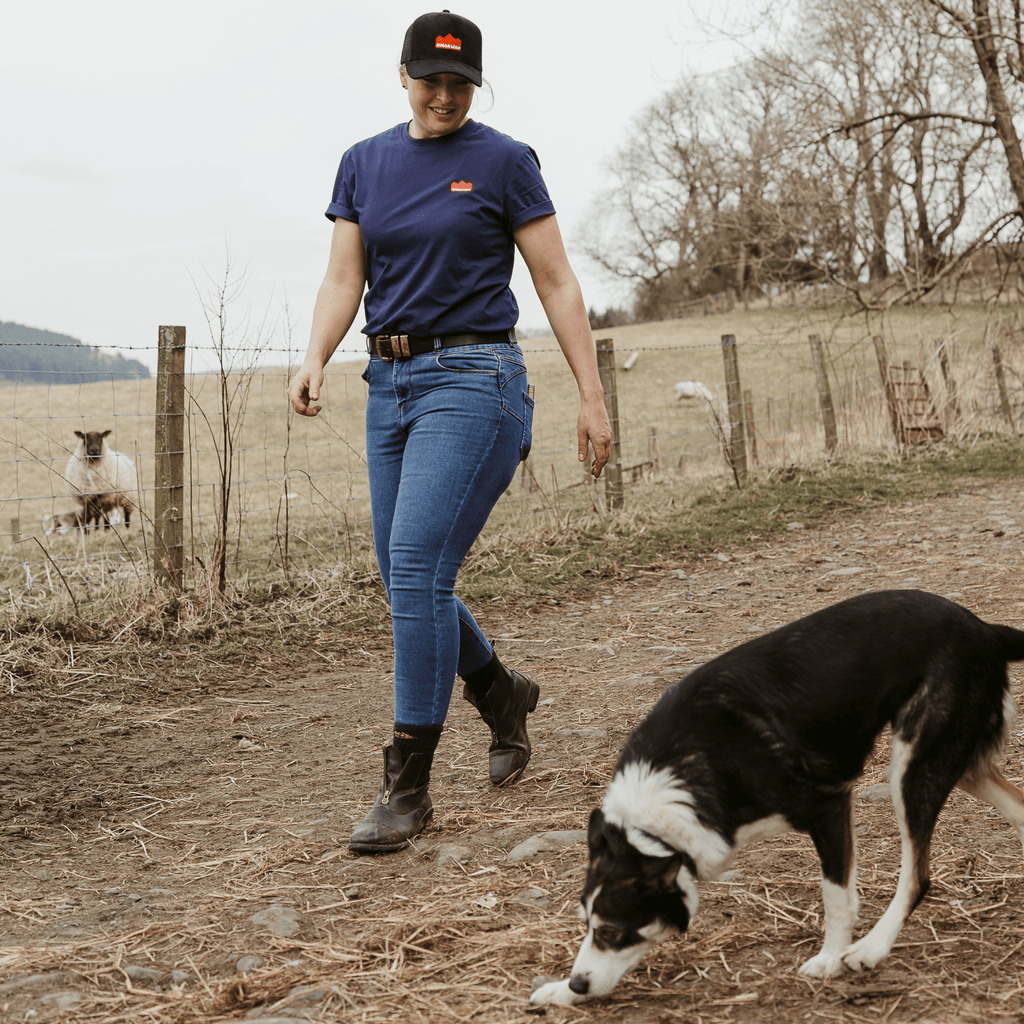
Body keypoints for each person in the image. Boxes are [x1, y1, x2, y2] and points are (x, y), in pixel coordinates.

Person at [288, 10, 611, 854]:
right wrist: (316, 355)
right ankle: (501, 693)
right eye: (430, 80)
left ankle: (407, 787)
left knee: (415, 570)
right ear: (402, 76)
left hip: (477, 381)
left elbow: (557, 282)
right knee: (407, 580)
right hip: (388, 384)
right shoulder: (365, 162)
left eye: (459, 83)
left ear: (476, 84)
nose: (444, 95)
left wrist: (592, 396)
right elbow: (341, 277)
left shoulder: (505, 161)